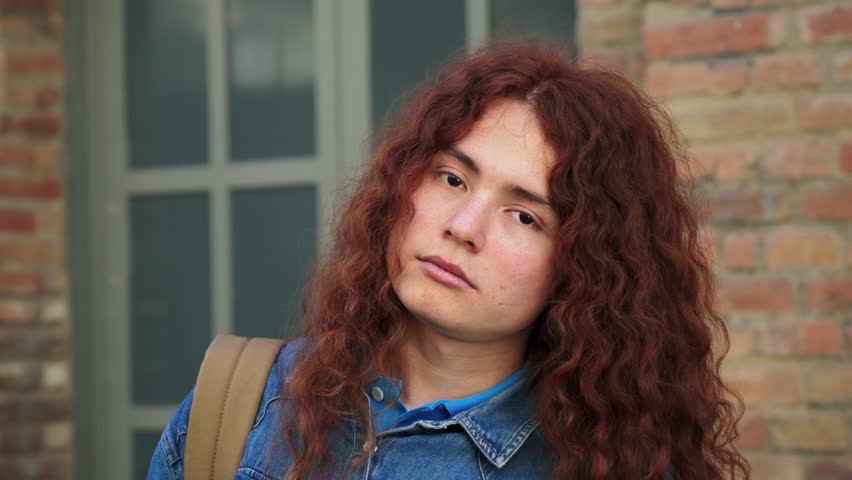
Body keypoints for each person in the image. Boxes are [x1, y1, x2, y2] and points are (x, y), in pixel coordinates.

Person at [147, 42, 750, 480]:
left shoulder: (618, 466)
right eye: (452, 178)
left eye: (524, 216)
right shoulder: (243, 403)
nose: (463, 228)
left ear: (585, 269)